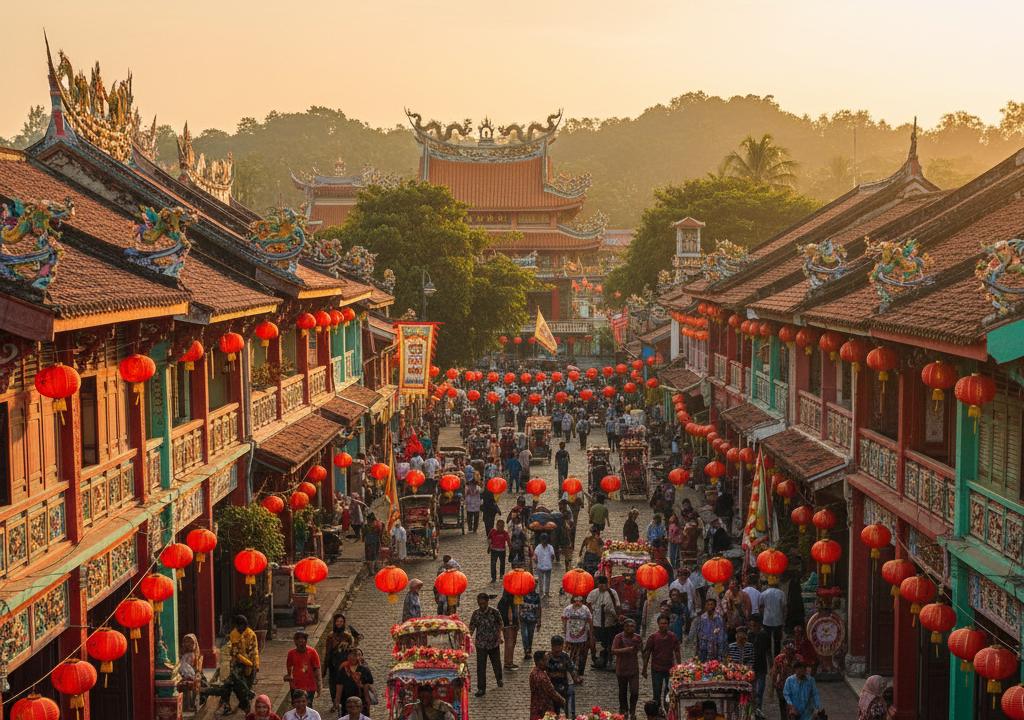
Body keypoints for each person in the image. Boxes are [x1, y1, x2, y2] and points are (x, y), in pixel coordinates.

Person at [219, 615, 259, 715]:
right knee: (234, 686)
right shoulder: (233, 634)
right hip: (237, 664)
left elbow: (253, 652)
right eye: (238, 625)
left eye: (243, 625)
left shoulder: (251, 634)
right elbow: (234, 651)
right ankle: (228, 706)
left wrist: (255, 665)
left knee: (247, 687)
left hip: (250, 663)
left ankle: (246, 709)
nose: (241, 627)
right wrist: (236, 659)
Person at [469, 593, 504, 696]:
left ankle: (499, 678)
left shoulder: (494, 612)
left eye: (483, 603)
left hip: (493, 642)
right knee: (480, 667)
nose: (482, 605)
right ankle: (481, 688)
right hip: (481, 644)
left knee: (496, 663)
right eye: (480, 604)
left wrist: (500, 636)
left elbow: (500, 624)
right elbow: (472, 627)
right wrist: (468, 638)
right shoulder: (475, 614)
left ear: (487, 602)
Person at [642, 615, 680, 709]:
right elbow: (647, 653)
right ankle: (657, 711)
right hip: (656, 669)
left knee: (669, 693)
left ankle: (668, 711)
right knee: (656, 692)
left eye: (665, 623)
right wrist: (644, 668)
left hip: (669, 669)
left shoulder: (672, 636)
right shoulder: (653, 637)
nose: (663, 625)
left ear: (668, 624)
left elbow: (677, 652)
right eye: (661, 623)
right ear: (658, 624)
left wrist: (679, 667)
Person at [586, 575, 621, 669]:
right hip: (596, 622)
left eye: (603, 584)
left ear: (606, 584)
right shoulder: (593, 593)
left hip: (609, 623)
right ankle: (599, 660)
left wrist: (616, 616)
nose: (601, 586)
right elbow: (588, 604)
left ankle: (608, 660)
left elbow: (616, 605)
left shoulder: (612, 593)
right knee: (597, 643)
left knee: (609, 643)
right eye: (599, 584)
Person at [612, 618, 642, 720]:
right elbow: (614, 650)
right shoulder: (618, 637)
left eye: (632, 626)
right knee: (622, 692)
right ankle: (624, 709)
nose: (630, 628)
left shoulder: (637, 638)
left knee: (634, 692)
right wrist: (627, 649)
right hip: (621, 669)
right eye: (628, 626)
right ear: (624, 627)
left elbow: (642, 650)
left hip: (633, 669)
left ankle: (632, 710)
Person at [545, 636, 580, 718]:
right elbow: (544, 671)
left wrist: (575, 678)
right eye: (555, 647)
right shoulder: (547, 657)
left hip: (564, 685)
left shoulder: (565, 656)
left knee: (568, 706)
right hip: (551, 687)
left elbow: (571, 669)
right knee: (553, 711)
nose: (557, 649)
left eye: (559, 646)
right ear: (552, 646)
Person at [561, 595, 594, 676]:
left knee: (581, 655)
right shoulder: (568, 609)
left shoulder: (585, 609)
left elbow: (590, 621)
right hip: (570, 637)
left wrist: (591, 634)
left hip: (582, 637)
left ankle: (579, 673)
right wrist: (565, 631)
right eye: (576, 600)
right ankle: (571, 672)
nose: (577, 602)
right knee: (571, 655)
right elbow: (564, 621)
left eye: (579, 601)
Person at [284, 631, 321, 702]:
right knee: (297, 707)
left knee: (308, 707)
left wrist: (319, 687)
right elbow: (289, 668)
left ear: (306, 641)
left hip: (310, 686)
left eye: (303, 639)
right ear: (295, 641)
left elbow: (317, 670)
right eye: (298, 639)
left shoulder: (312, 652)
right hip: (296, 687)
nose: (301, 641)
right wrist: (290, 682)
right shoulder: (291, 654)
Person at [336, 649, 374, 716]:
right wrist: (337, 700)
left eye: (359, 655)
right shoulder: (343, 669)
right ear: (348, 656)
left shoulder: (364, 669)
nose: (356, 657)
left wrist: (367, 699)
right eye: (353, 655)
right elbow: (339, 685)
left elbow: (368, 685)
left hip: (361, 700)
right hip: (347, 700)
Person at [529, 650, 564, 720]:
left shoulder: (533, 672)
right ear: (540, 662)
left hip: (535, 706)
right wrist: (562, 700)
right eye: (545, 660)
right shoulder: (543, 677)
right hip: (544, 709)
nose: (547, 663)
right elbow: (552, 692)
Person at [748, 614, 772, 715]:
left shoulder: (764, 635)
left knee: (760, 690)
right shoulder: (749, 635)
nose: (752, 627)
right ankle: (752, 710)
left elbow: (768, 652)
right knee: (751, 691)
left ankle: (758, 710)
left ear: (759, 625)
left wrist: (771, 666)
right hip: (751, 668)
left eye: (754, 625)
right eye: (751, 625)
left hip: (761, 667)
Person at [770, 642, 801, 720]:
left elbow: (803, 674)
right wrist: (772, 689)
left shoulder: (798, 659)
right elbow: (774, 674)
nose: (789, 654)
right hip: (782, 687)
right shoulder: (779, 659)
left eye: (791, 652)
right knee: (783, 706)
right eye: (787, 651)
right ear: (784, 651)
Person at [759, 581, 787, 657]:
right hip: (778, 620)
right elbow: (784, 607)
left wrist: (763, 615)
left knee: (767, 641)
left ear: (768, 584)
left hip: (767, 620)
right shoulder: (781, 593)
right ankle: (777, 657)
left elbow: (761, 607)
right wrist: (784, 619)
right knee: (777, 642)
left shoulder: (764, 593)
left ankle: (769, 658)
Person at [497, 588, 520, 670]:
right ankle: (508, 662)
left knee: (510, 643)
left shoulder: (502, 602)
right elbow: (511, 615)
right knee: (510, 644)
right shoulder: (510, 601)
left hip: (507, 625)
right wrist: (514, 623)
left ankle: (509, 661)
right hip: (509, 625)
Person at [520, 578, 542, 660]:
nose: (534, 586)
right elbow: (518, 605)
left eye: (535, 584)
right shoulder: (523, 594)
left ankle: (529, 649)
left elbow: (539, 609)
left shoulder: (537, 597)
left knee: (530, 636)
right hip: (523, 618)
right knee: (524, 635)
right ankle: (526, 650)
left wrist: (539, 620)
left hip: (532, 620)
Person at [558, 499, 576, 574]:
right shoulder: (562, 511)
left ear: (564, 505)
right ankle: (567, 568)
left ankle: (568, 568)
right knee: (566, 552)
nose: (560, 506)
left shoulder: (567, 513)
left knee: (567, 553)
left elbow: (570, 523)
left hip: (567, 535)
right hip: (563, 535)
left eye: (561, 505)